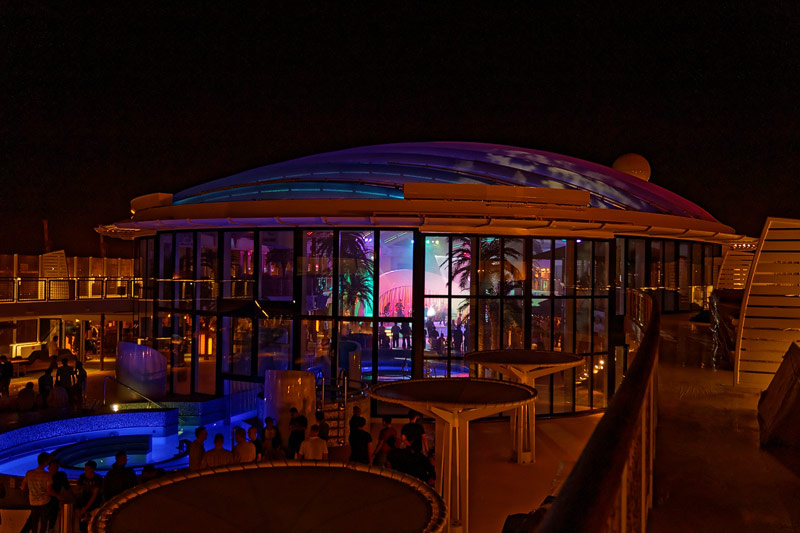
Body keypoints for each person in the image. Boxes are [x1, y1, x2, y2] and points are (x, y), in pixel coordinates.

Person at [20, 452, 51, 533]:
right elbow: (49, 490)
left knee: (34, 523)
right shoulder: (47, 475)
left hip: (33, 502)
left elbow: (23, 487)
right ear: (46, 462)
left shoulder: (29, 473)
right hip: (44, 502)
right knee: (43, 524)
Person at [76, 460, 103, 533]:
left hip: (94, 506)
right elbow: (78, 492)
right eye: (85, 468)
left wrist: (85, 508)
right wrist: (79, 508)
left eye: (87, 468)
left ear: (93, 469)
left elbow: (95, 495)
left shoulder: (98, 479)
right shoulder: (82, 478)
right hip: (83, 505)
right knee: (83, 527)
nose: (85, 470)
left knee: (93, 525)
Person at [45, 458, 71, 531]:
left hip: (53, 502)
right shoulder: (47, 476)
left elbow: (67, 487)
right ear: (49, 467)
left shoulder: (59, 476)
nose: (55, 469)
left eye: (56, 467)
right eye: (53, 467)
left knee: (51, 520)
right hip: (46, 501)